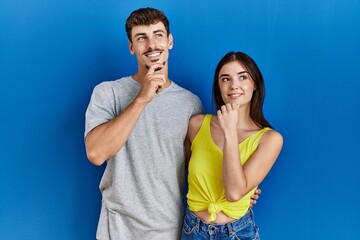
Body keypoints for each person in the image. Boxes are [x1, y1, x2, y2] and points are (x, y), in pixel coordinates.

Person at [85, 8, 260, 239]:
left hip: (171, 229)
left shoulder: (190, 103)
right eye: (141, 38)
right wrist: (142, 98)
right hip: (117, 230)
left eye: (158, 35)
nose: (151, 44)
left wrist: (244, 187)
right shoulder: (108, 93)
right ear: (131, 47)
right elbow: (96, 153)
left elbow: (197, 165)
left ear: (170, 41)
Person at [181, 52, 283, 240]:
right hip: (192, 230)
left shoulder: (270, 139)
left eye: (242, 77)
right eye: (225, 79)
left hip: (238, 233)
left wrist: (230, 132)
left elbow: (235, 192)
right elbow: (174, 174)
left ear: (255, 85)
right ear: (219, 88)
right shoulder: (196, 125)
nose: (234, 85)